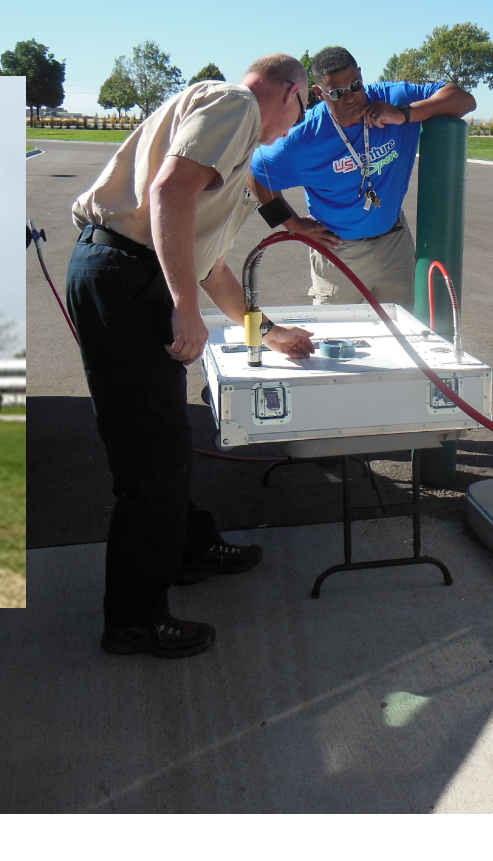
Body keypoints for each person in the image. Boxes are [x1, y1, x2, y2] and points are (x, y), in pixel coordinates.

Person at [67, 55, 318, 659]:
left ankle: (188, 548)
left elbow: (210, 266)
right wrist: (182, 304)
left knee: (162, 444)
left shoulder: (229, 144)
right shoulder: (235, 106)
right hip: (127, 276)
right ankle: (133, 620)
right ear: (287, 92)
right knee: (150, 457)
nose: (292, 126)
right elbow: (168, 192)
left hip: (128, 275)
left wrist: (267, 331)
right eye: (302, 108)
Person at [249, 46, 476, 307]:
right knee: (336, 338)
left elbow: (465, 100)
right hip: (339, 252)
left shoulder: (392, 98)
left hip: (393, 241)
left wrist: (404, 114)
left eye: (356, 85)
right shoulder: (303, 138)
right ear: (319, 94)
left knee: (401, 331)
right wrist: (295, 226)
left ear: (361, 76)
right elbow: (256, 176)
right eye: (337, 93)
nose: (351, 98)